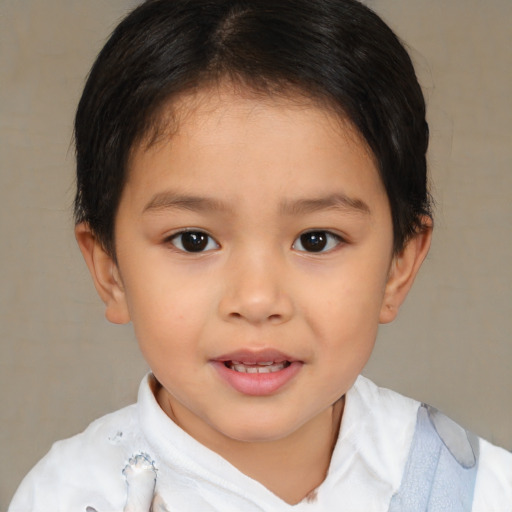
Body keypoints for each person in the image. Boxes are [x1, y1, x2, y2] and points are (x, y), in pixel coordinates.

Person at [8, 0, 512, 510]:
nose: (256, 299)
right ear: (110, 270)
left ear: (398, 266)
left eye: (316, 239)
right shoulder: (64, 495)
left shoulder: (482, 492)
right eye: (193, 240)